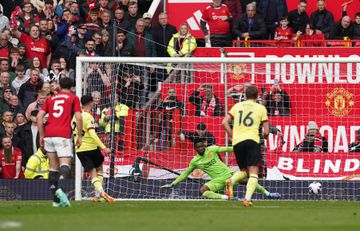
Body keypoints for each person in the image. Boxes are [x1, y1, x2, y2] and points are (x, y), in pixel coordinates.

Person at [161, 139, 280, 200]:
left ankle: (268, 194)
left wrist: (242, 148)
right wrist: (173, 183)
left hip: (229, 174)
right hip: (217, 181)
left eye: (202, 146)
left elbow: (228, 149)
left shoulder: (212, 149)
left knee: (248, 180)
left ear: (204, 145)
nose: (201, 148)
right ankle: (228, 198)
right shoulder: (195, 161)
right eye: (198, 147)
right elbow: (185, 173)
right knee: (202, 191)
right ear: (196, 149)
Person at [37, 77, 83, 208]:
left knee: (53, 168)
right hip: (62, 135)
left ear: (59, 86)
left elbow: (40, 116)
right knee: (65, 165)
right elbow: (78, 117)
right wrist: (79, 135)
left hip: (49, 134)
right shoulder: (73, 97)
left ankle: (56, 200)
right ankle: (60, 191)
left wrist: (41, 135)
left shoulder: (50, 98)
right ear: (72, 87)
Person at [222, 85, 269, 206]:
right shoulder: (261, 108)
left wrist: (232, 135)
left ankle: (231, 180)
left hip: (237, 142)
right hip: (252, 140)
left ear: (245, 95)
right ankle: (247, 199)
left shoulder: (237, 106)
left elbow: (224, 122)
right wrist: (265, 135)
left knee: (244, 171)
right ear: (257, 96)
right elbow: (267, 131)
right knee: (254, 172)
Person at [74, 95, 114, 202]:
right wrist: (103, 147)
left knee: (93, 172)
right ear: (91, 103)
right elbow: (92, 134)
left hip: (80, 150)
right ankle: (101, 193)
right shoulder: (88, 116)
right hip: (91, 148)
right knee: (98, 169)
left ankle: (98, 195)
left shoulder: (75, 116)